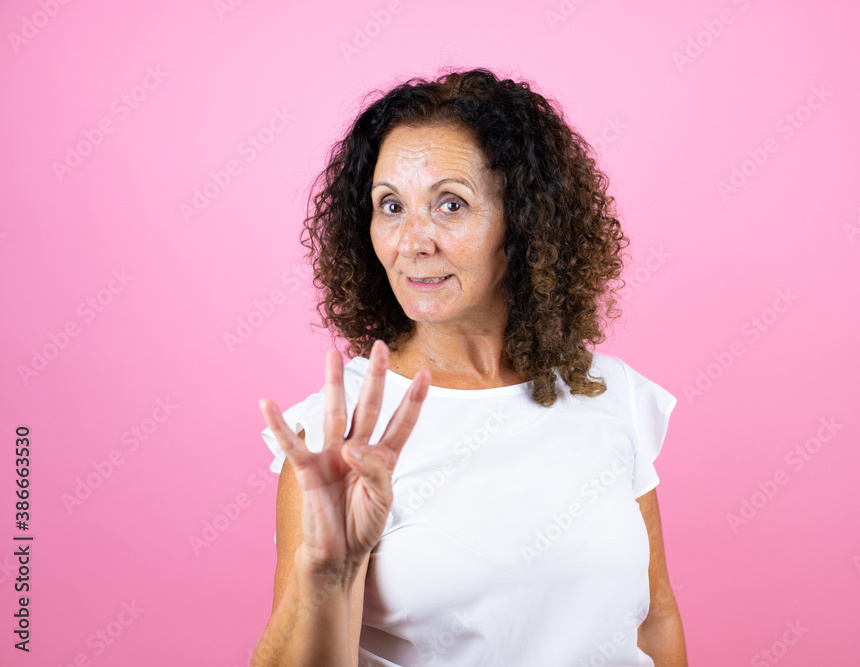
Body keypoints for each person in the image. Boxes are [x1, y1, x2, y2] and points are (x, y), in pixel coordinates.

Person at [252, 67, 687, 666]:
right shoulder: (343, 437)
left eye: (450, 204)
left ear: (524, 221)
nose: (413, 241)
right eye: (391, 206)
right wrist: (329, 576)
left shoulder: (608, 395)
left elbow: (655, 616)